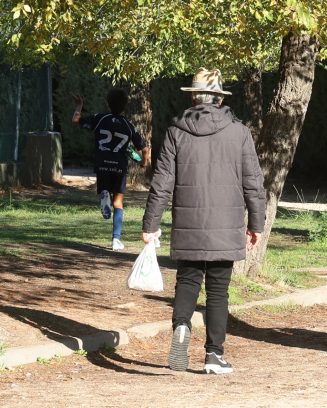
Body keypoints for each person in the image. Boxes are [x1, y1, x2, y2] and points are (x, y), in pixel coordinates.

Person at [142, 68, 266, 374]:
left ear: (194, 98)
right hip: (227, 225)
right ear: (220, 99)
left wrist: (150, 224)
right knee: (218, 292)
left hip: (188, 222)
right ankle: (214, 354)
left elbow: (161, 182)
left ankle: (182, 326)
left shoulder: (176, 132)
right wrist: (257, 224)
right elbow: (254, 183)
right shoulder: (239, 132)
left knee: (187, 281)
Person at [72, 89, 149, 251]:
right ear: (125, 106)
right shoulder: (129, 126)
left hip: (102, 163)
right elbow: (145, 148)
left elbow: (76, 120)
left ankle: (103, 193)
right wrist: (143, 162)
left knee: (105, 189)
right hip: (119, 167)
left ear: (107, 102)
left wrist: (79, 106)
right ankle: (116, 240)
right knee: (118, 203)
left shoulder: (100, 118)